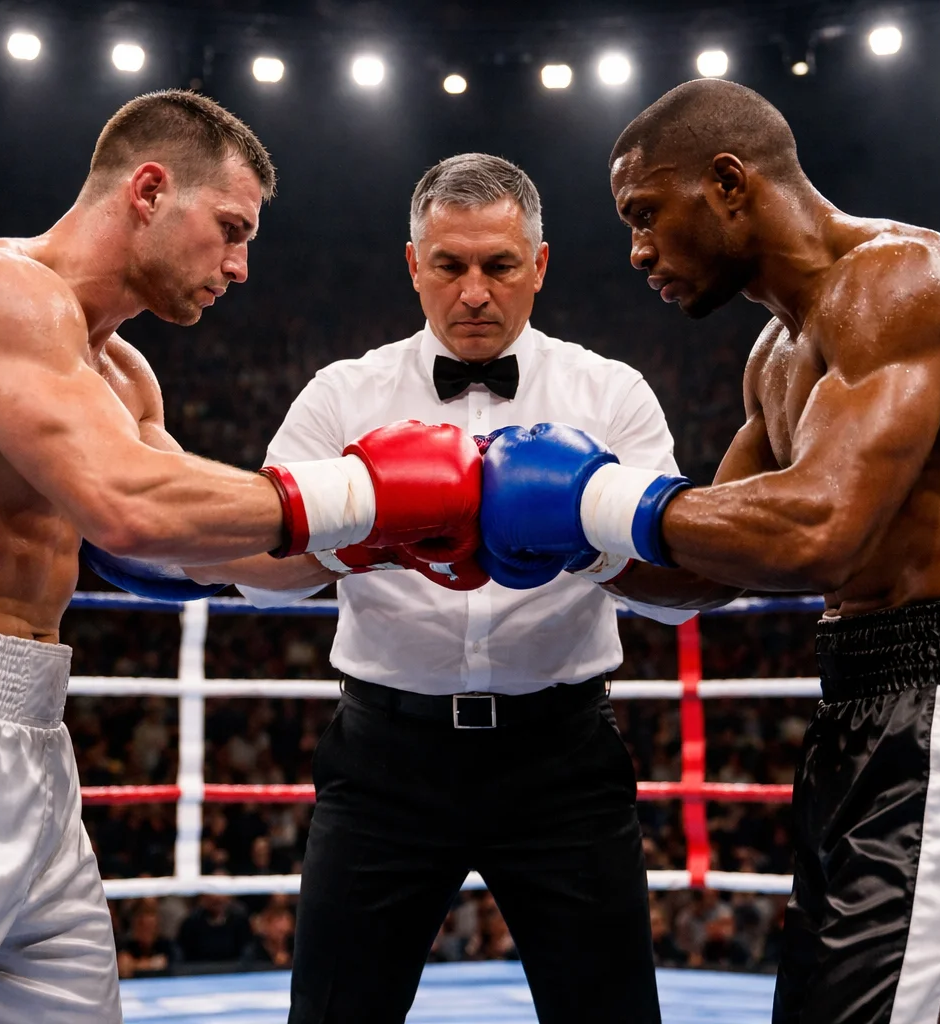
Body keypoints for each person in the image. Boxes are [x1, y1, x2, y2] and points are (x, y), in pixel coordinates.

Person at [0, 89, 482, 1024]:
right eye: (230, 230)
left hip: (33, 746)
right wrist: (368, 492)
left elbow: (225, 554)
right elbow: (123, 503)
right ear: (151, 189)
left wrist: (408, 536)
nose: (242, 267)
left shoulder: (124, 375)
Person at [477, 79, 940, 1024]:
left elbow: (819, 529)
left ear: (729, 183)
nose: (637, 250)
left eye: (645, 215)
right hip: (866, 710)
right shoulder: (777, 353)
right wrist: (552, 537)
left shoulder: (900, 282)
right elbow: (703, 564)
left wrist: (595, 495)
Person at [183, 153, 692, 1023]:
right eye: (449, 266)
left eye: (498, 266)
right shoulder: (344, 395)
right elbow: (255, 572)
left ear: (538, 265)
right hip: (387, 759)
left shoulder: (611, 394)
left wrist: (583, 541)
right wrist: (367, 535)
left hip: (561, 758)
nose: (474, 294)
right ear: (414, 265)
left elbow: (678, 592)